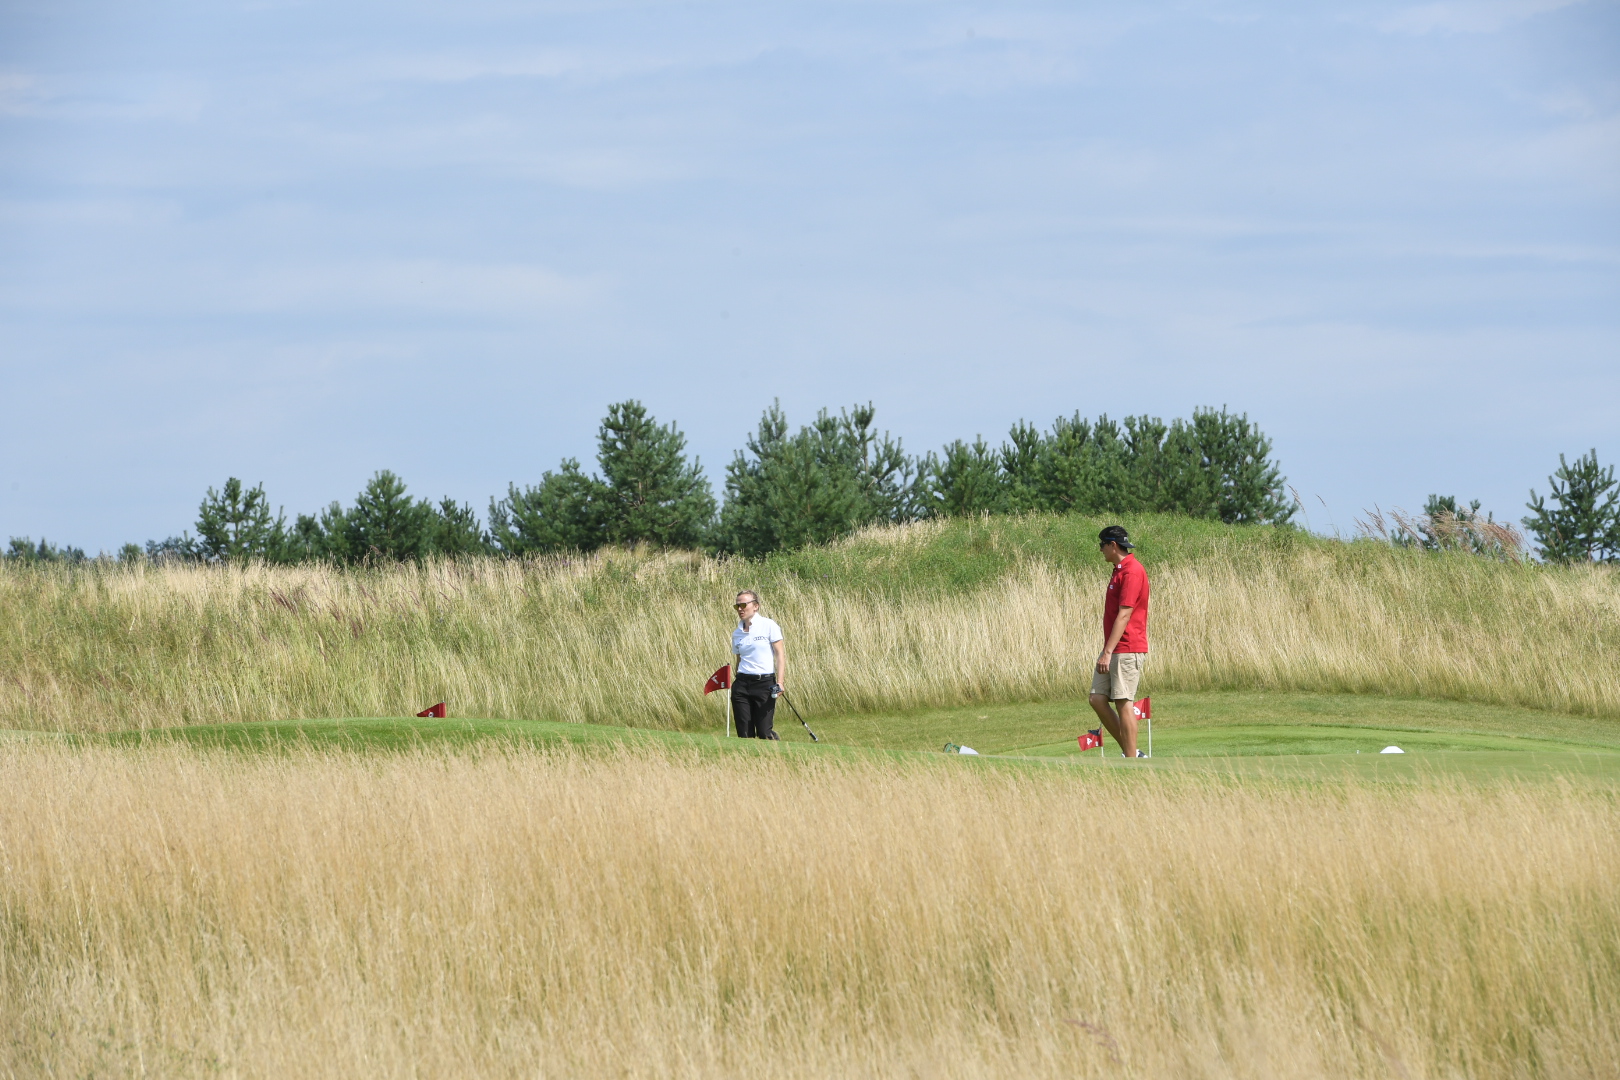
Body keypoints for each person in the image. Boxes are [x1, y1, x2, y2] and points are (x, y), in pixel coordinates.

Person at [1089, 525, 1150, 758]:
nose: (1100, 550)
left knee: (1124, 702)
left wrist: (1107, 652)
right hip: (1114, 647)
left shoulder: (1132, 571)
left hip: (1126, 647)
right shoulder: (1119, 570)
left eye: (1102, 545)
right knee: (1097, 698)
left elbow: (1125, 614)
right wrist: (1107, 650)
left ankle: (1132, 760)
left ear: (1112, 545)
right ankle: (1131, 751)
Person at [730, 590, 786, 740]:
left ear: (756, 606)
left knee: (764, 732)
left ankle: (775, 753)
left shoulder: (768, 625)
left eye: (743, 605)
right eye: (737, 606)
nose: (740, 609)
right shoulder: (737, 633)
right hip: (742, 684)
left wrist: (780, 682)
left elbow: (780, 655)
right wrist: (737, 679)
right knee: (744, 734)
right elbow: (739, 659)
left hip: (764, 683)